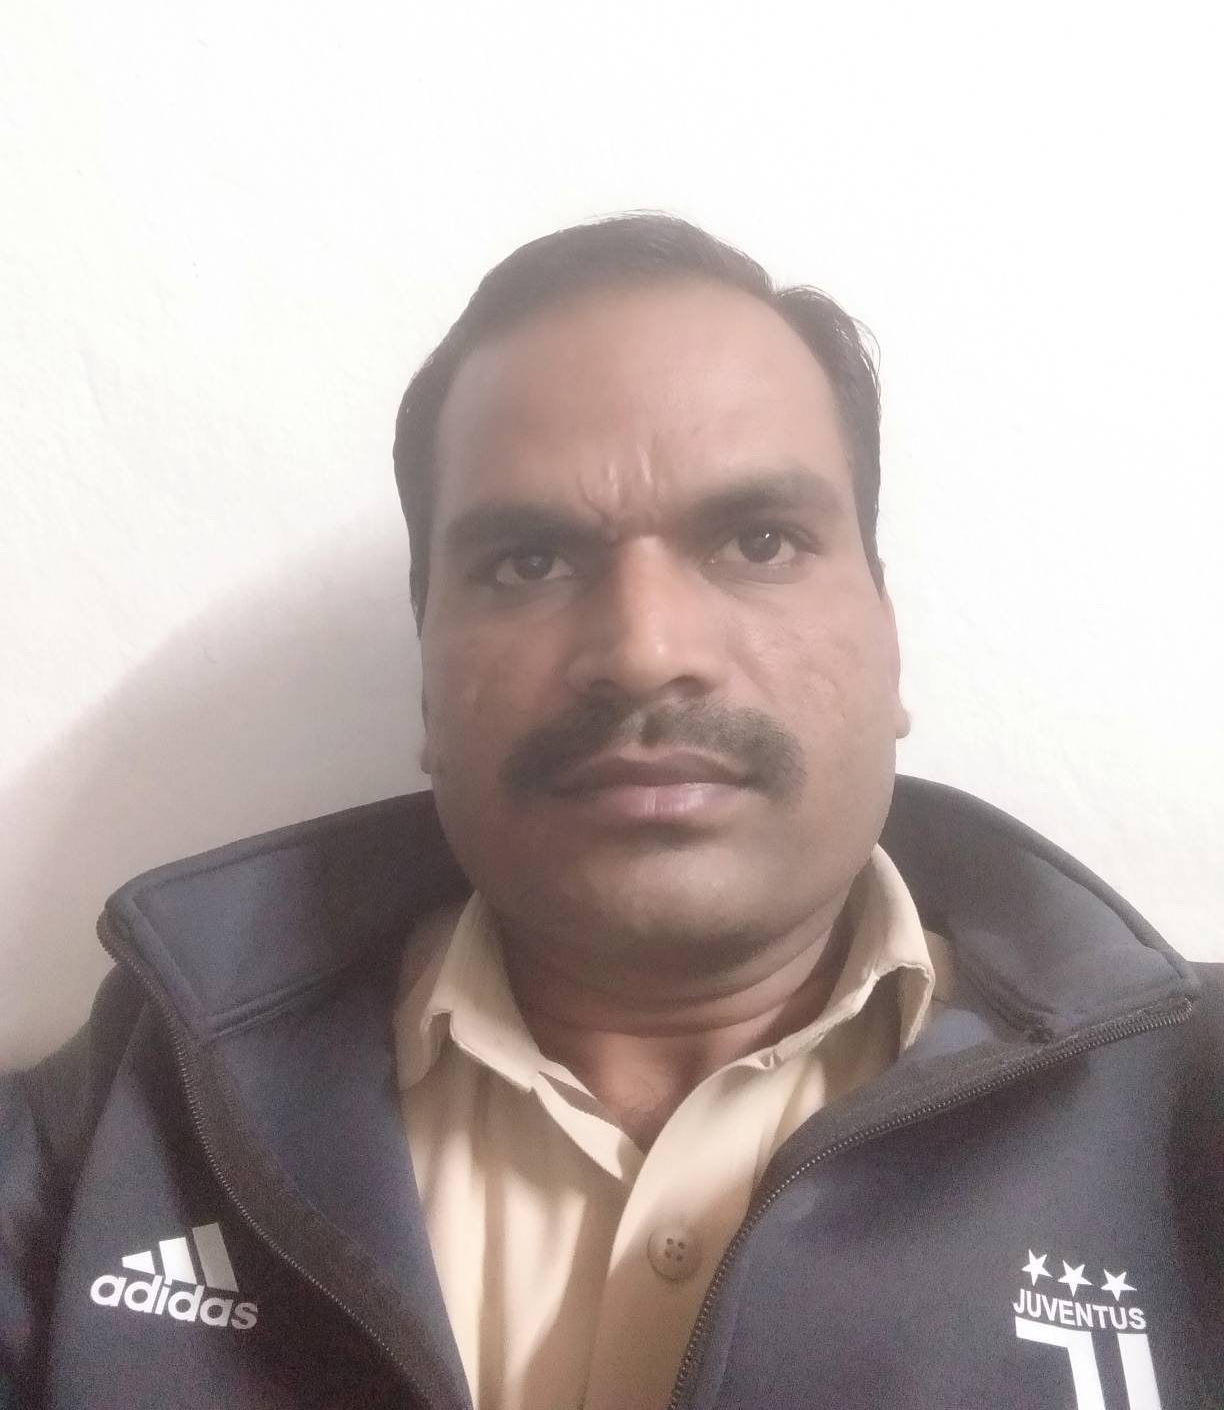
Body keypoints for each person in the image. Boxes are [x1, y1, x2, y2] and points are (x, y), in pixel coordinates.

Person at [1, 215, 1219, 1410]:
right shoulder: (114, 1134)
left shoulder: (1187, 1112)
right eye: (528, 562)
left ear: (888, 639)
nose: (644, 651)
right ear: (428, 672)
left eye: (759, 540)